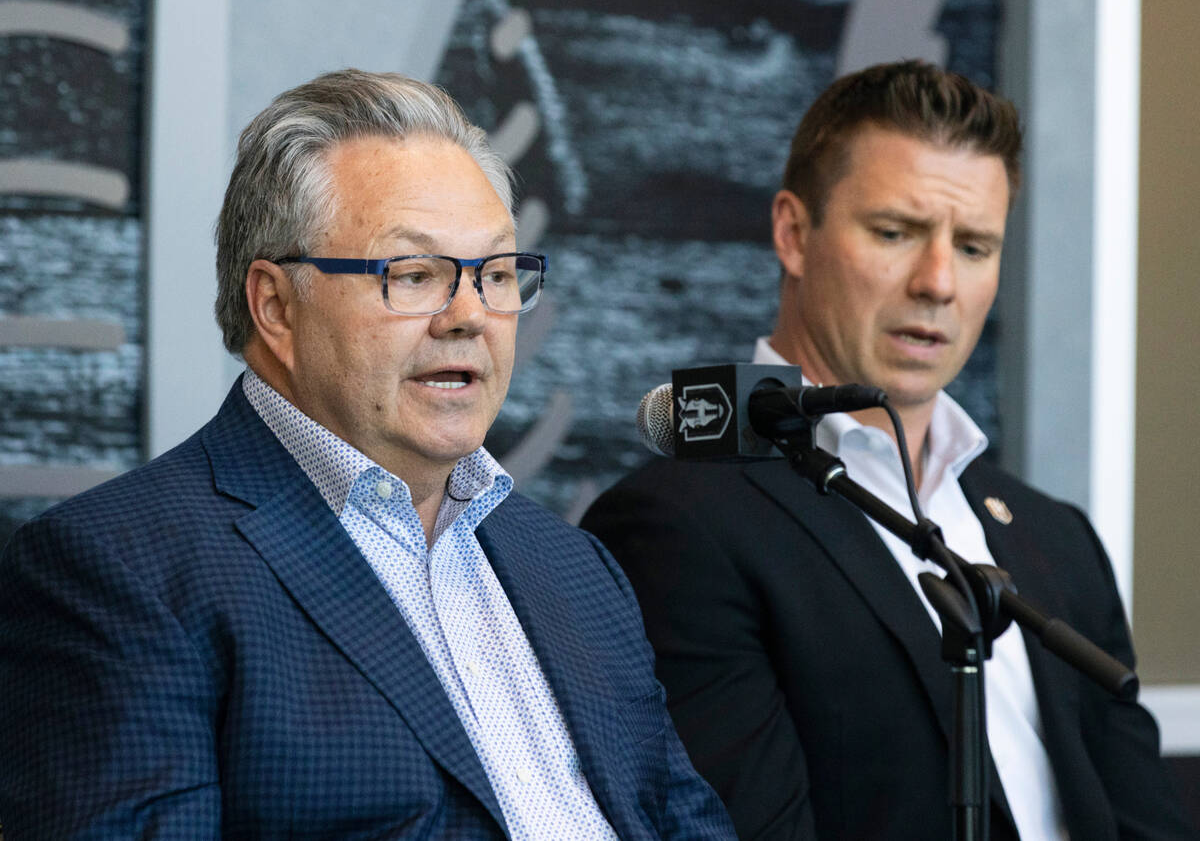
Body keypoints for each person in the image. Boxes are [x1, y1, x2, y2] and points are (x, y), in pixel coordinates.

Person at [0, 69, 735, 840]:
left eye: (494, 274)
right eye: (413, 275)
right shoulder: (117, 570)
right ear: (277, 306)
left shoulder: (575, 569)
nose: (469, 316)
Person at [581, 61, 1197, 840]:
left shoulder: (1057, 539)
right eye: (895, 232)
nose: (938, 281)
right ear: (793, 234)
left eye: (974, 246)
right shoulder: (675, 523)